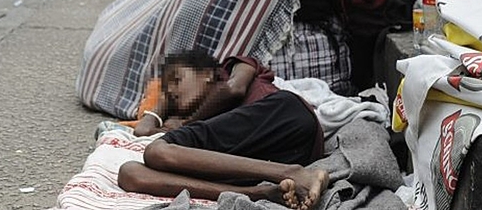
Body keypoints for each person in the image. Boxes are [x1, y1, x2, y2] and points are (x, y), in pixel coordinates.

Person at [117, 51, 330, 210]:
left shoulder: (234, 68)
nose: (171, 91)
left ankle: (293, 173)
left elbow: (233, 89)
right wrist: (161, 105)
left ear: (208, 74)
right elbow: (142, 132)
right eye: (166, 91)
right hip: (278, 157)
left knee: (157, 151)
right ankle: (260, 193)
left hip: (287, 117)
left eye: (176, 79)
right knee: (131, 174)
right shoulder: (211, 129)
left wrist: (184, 122)